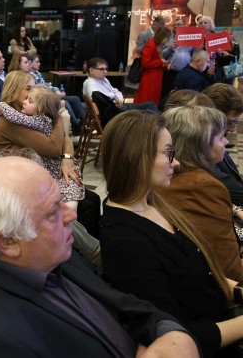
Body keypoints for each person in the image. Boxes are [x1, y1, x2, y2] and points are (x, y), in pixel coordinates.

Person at [0, 156, 199, 358]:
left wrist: (171, 333)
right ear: (8, 241)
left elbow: (126, 305)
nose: (71, 215)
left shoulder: (48, 253)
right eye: (53, 212)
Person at [100, 110, 243, 358]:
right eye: (168, 153)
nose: (176, 163)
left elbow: (205, 277)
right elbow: (177, 336)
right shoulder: (125, 242)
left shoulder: (156, 203)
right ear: (138, 159)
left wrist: (237, 289)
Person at [158, 106, 243, 281]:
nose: (226, 142)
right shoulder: (203, 186)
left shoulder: (166, 175)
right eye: (221, 137)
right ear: (200, 146)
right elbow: (228, 266)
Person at [0, 85, 84, 206]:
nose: (26, 99)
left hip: (50, 169)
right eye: (27, 88)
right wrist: (58, 116)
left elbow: (57, 145)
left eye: (30, 100)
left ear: (41, 109)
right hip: (22, 176)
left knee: (70, 196)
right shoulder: (43, 117)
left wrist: (1, 105)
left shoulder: (37, 119)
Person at [202, 83, 243, 207]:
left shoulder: (213, 136)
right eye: (230, 123)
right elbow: (222, 180)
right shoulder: (201, 143)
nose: (232, 129)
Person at [83, 57, 158, 111]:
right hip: (112, 111)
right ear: (91, 70)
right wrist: (114, 97)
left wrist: (120, 99)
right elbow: (95, 97)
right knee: (150, 106)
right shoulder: (90, 83)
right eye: (101, 69)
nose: (105, 72)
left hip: (117, 106)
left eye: (106, 69)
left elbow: (115, 90)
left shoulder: (103, 79)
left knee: (150, 106)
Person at [135, 27, 172, 107]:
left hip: (155, 77)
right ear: (162, 36)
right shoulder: (151, 45)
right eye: (167, 38)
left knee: (153, 99)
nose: (168, 41)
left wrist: (163, 64)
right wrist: (160, 61)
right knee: (148, 98)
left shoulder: (156, 45)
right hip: (150, 78)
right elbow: (145, 63)